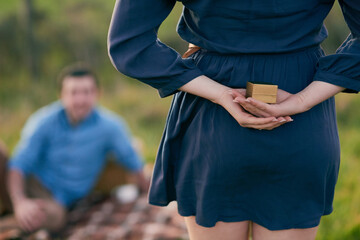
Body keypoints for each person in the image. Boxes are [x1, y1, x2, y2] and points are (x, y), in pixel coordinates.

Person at [107, 0, 360, 239]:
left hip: (210, 115)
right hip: (299, 113)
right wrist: (302, 100)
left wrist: (220, 94)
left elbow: (129, 42)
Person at [5, 65, 148, 233]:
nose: (80, 100)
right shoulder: (43, 121)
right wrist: (20, 202)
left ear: (97, 93)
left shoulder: (111, 127)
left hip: (55, 201)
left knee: (56, 218)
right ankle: (15, 211)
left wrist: (149, 192)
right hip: (30, 183)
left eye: (86, 92)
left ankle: (10, 220)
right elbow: (18, 165)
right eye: (73, 93)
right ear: (62, 95)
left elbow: (131, 159)